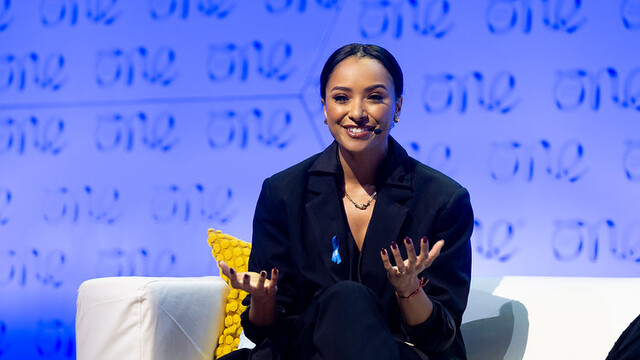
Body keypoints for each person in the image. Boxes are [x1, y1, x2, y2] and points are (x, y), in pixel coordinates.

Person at [218, 43, 474, 360]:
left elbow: (439, 337)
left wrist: (409, 288)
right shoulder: (283, 192)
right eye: (341, 98)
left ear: (397, 106)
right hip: (310, 351)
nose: (356, 112)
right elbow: (264, 332)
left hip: (398, 352)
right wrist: (265, 298)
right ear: (325, 108)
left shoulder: (443, 200)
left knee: (349, 301)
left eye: (375, 97)